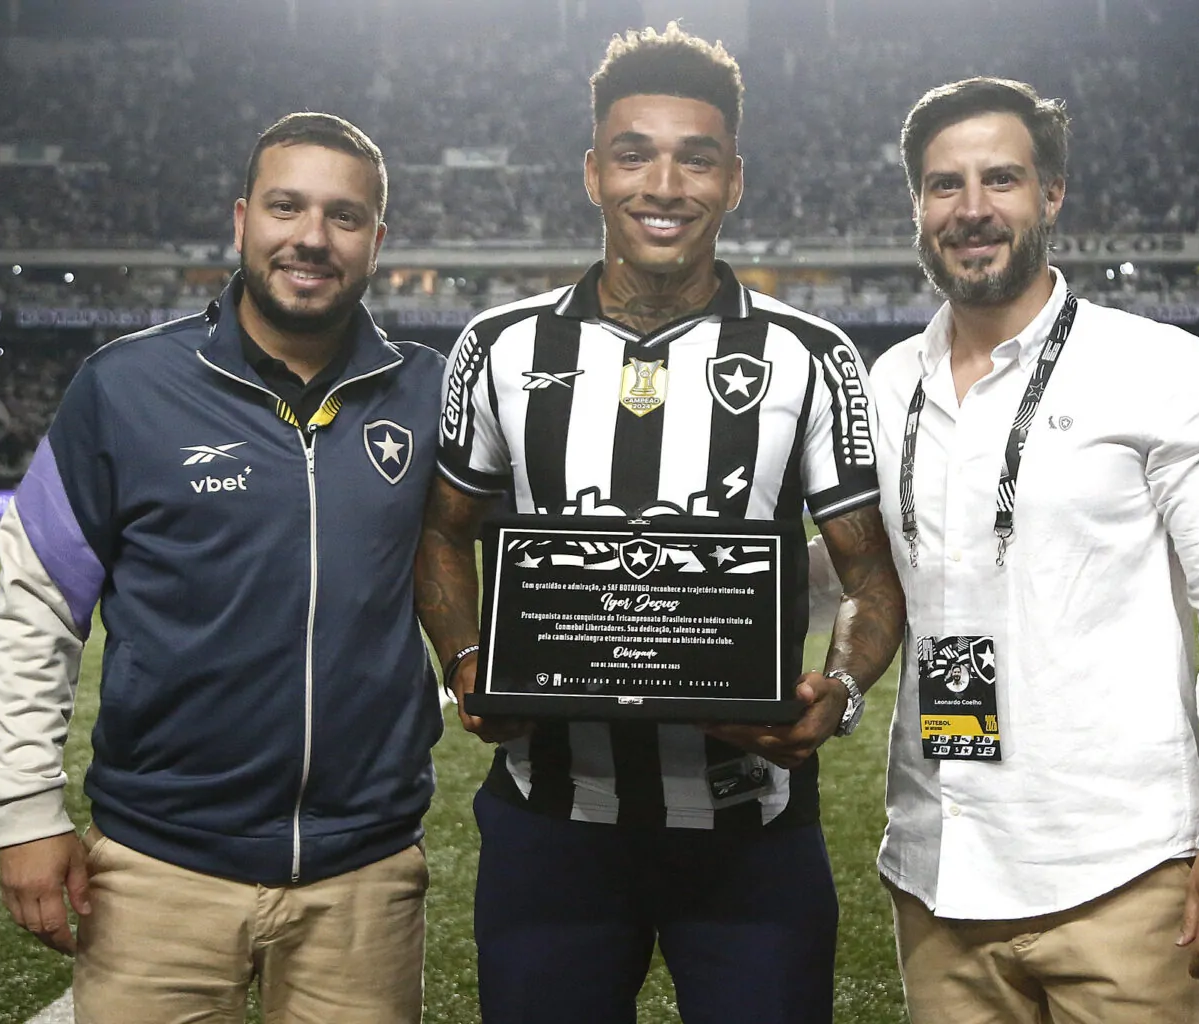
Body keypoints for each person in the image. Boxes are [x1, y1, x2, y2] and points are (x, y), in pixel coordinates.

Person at [415, 24, 904, 1024]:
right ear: (593, 172)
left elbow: (869, 575)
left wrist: (843, 689)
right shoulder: (499, 347)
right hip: (550, 822)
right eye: (634, 154)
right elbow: (440, 532)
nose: (665, 185)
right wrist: (466, 659)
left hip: (750, 828)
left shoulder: (811, 356)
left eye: (698, 158)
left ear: (735, 181)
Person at [865, 77, 1199, 1023]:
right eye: (945, 185)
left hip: (1122, 881)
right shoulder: (886, 383)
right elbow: (865, 582)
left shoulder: (1160, 370)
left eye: (1001, 179)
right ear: (918, 206)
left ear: (1052, 193)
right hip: (939, 878)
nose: (973, 208)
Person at [0, 112, 444, 1024]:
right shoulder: (124, 387)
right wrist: (27, 810)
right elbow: (38, 601)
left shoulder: (431, 391)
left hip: (366, 873)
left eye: (344, 216)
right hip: (158, 868)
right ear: (242, 221)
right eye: (286, 207)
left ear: (377, 240)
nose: (312, 236)